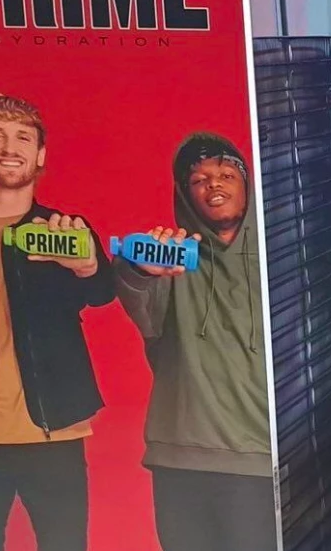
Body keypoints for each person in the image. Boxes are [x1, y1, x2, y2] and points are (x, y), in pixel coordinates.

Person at [0, 94, 114, 551]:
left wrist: (85, 266)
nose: (10, 146)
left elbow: (102, 292)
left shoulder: (67, 229)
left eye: (24, 137)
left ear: (40, 155)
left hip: (54, 430)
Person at [113, 133, 274, 551]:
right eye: (199, 179)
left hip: (261, 459)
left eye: (224, 175)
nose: (213, 185)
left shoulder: (283, 255)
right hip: (180, 457)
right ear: (185, 193)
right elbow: (141, 305)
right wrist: (139, 269)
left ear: (247, 185)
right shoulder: (167, 259)